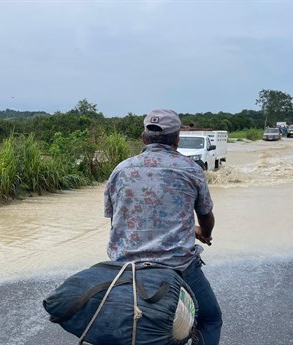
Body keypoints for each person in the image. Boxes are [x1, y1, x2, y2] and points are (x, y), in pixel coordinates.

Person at [103, 108, 223, 344]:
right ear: (177, 139)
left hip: (125, 267)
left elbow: (115, 220)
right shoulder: (190, 169)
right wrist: (203, 233)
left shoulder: (121, 170)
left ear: (143, 137)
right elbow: (206, 217)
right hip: (178, 266)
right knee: (210, 319)